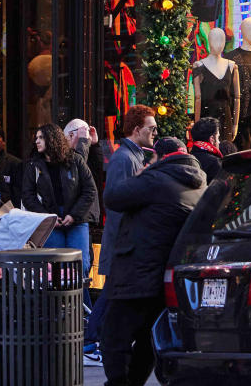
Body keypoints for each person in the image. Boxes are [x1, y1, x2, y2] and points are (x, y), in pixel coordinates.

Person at [99, 136, 206, 386]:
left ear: (160, 157)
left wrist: (141, 175)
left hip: (136, 271)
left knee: (112, 337)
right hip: (165, 275)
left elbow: (113, 197)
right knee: (148, 337)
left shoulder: (155, 179)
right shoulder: (198, 183)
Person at [83, 104, 156, 366]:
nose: (154, 132)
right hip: (122, 241)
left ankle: (93, 342)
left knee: (113, 293)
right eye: (151, 128)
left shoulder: (132, 156)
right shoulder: (124, 158)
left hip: (124, 241)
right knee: (111, 293)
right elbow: (117, 202)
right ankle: (91, 342)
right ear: (137, 130)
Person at [188, 117, 224, 182]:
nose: (219, 142)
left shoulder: (188, 158)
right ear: (212, 139)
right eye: (218, 137)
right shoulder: (215, 163)